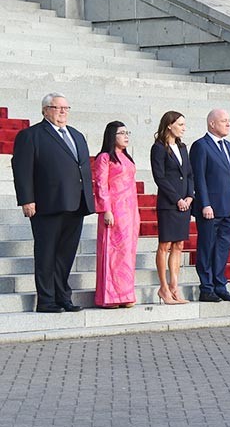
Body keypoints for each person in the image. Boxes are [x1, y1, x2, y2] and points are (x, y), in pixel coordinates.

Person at [10, 93, 94, 313]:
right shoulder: (31, 135)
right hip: (47, 205)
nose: (63, 111)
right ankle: (46, 300)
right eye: (57, 108)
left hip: (76, 204)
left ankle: (63, 297)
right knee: (47, 254)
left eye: (66, 107)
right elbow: (22, 168)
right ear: (45, 110)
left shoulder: (76, 135)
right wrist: (27, 199)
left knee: (66, 255)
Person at [190, 108, 230, 302]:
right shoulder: (200, 146)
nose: (228, 124)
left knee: (222, 248)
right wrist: (204, 204)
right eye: (224, 121)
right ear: (212, 123)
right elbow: (199, 178)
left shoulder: (229, 147)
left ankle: (220, 285)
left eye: (229, 120)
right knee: (206, 247)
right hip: (210, 209)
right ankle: (206, 287)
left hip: (228, 207)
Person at [91, 121, 139, 308]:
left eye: (127, 133)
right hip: (113, 211)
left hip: (130, 212)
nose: (125, 136)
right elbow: (100, 185)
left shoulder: (126, 157)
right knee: (112, 253)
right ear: (112, 135)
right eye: (121, 133)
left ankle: (126, 294)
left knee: (127, 253)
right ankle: (110, 296)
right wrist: (106, 210)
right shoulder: (104, 157)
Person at [149, 111, 193, 305]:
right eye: (181, 124)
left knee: (179, 245)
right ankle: (163, 288)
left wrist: (190, 196)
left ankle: (175, 287)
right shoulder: (158, 148)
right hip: (169, 204)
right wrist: (177, 199)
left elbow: (190, 174)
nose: (184, 128)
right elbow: (160, 177)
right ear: (169, 125)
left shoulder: (183, 147)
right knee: (165, 245)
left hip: (185, 204)